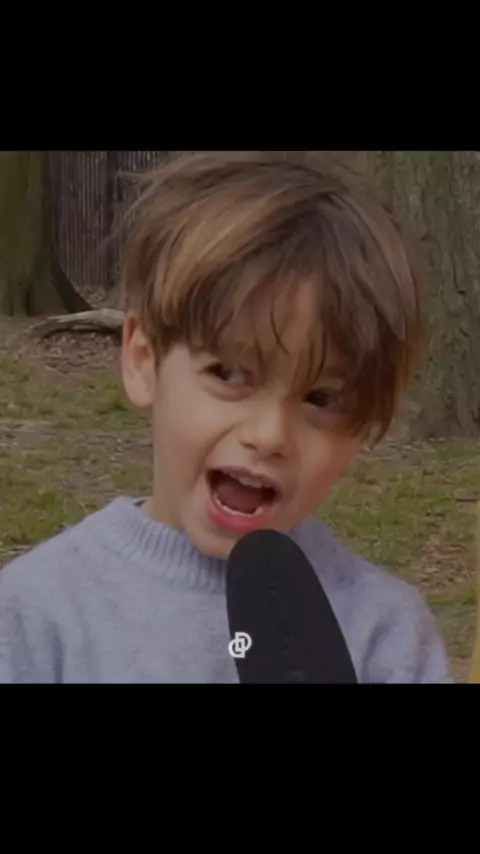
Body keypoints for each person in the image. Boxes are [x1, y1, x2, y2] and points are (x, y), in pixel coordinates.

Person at [0, 151, 452, 683]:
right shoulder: (37, 618)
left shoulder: (387, 637)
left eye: (321, 399)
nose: (269, 435)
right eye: (230, 374)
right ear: (144, 361)